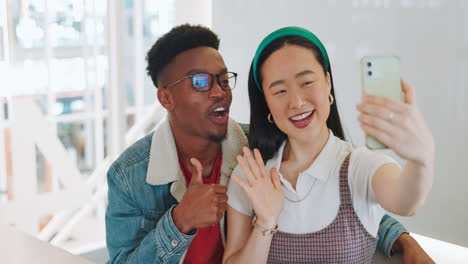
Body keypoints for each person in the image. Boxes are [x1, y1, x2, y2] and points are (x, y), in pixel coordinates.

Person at [105, 24, 433, 264]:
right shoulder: (129, 175)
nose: (219, 91)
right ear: (166, 97)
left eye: (223, 79)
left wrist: (403, 240)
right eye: (201, 82)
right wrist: (181, 221)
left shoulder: (257, 147)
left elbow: (352, 189)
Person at [223, 27, 435, 264]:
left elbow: (406, 203)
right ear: (266, 102)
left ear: (327, 82)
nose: (296, 102)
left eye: (306, 82)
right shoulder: (251, 175)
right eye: (280, 90)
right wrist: (265, 222)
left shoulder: (360, 166)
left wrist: (421, 159)